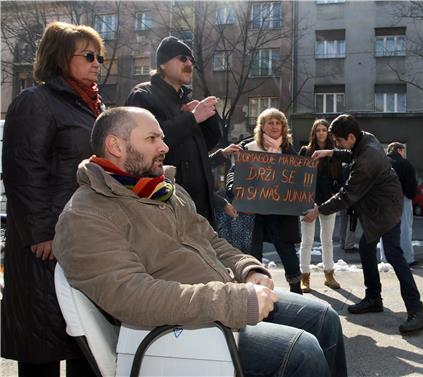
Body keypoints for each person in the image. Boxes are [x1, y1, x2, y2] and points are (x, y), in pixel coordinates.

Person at [52, 107, 347, 377]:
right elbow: (131, 296)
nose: (165, 147)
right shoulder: (86, 215)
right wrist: (233, 300)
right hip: (177, 335)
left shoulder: (164, 191)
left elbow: (210, 239)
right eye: (152, 138)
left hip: (216, 307)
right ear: (116, 146)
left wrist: (247, 269)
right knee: (303, 352)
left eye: (162, 138)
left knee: (325, 318)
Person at [1, 21, 103, 377]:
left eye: (100, 57)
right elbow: (22, 172)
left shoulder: (90, 106)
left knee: (85, 344)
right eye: (88, 55)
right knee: (42, 348)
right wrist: (43, 233)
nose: (97, 63)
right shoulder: (36, 101)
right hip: (44, 246)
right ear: (61, 57)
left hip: (81, 239)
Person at [303, 114, 423, 333]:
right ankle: (373, 297)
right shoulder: (366, 138)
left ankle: (417, 311)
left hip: (386, 209)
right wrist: (331, 152)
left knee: (394, 254)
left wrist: (318, 210)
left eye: (339, 141)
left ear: (351, 136)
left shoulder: (366, 159)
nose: (338, 144)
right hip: (379, 205)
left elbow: (346, 195)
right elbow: (350, 151)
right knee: (366, 248)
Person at [125, 36, 226, 227]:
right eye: (182, 58)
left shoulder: (185, 102)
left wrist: (209, 117)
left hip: (199, 208)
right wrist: (192, 118)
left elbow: (208, 144)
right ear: (162, 63)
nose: (189, 64)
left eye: (192, 60)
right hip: (166, 207)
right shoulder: (142, 95)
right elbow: (143, 144)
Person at [226, 108, 303, 294]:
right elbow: (233, 173)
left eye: (279, 123)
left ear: (284, 127)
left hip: (281, 212)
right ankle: (256, 291)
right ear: (262, 126)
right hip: (254, 211)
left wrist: (305, 200)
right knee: (253, 251)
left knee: (287, 250)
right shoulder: (247, 148)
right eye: (271, 122)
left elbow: (300, 182)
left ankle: (296, 289)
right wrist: (233, 190)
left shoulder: (290, 152)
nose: (275, 126)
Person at [298, 119, 342, 292]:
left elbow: (340, 179)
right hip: (307, 202)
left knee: (327, 240)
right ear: (314, 133)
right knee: (306, 241)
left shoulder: (334, 154)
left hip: (328, 202)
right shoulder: (305, 151)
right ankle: (305, 277)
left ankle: (329, 275)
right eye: (318, 130)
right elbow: (297, 177)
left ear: (328, 133)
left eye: (324, 130)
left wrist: (334, 196)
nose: (321, 133)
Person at [386, 142, 418, 266]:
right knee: (405, 229)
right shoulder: (405, 164)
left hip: (384, 200)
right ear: (399, 150)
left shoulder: (382, 162)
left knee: (385, 229)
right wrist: (410, 195)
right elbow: (411, 186)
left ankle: (386, 259)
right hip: (402, 199)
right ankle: (407, 258)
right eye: (403, 151)